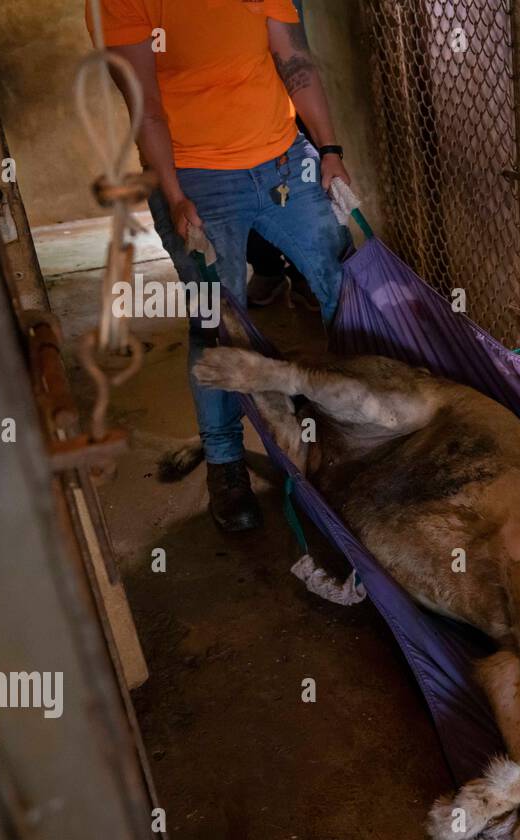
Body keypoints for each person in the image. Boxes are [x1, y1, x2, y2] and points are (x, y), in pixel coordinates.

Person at [89, 0, 352, 532]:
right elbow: (147, 108)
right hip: (197, 176)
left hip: (282, 158)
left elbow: (293, 60)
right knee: (214, 319)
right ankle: (225, 463)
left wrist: (328, 149)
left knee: (344, 285)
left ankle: (356, 426)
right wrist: (174, 194)